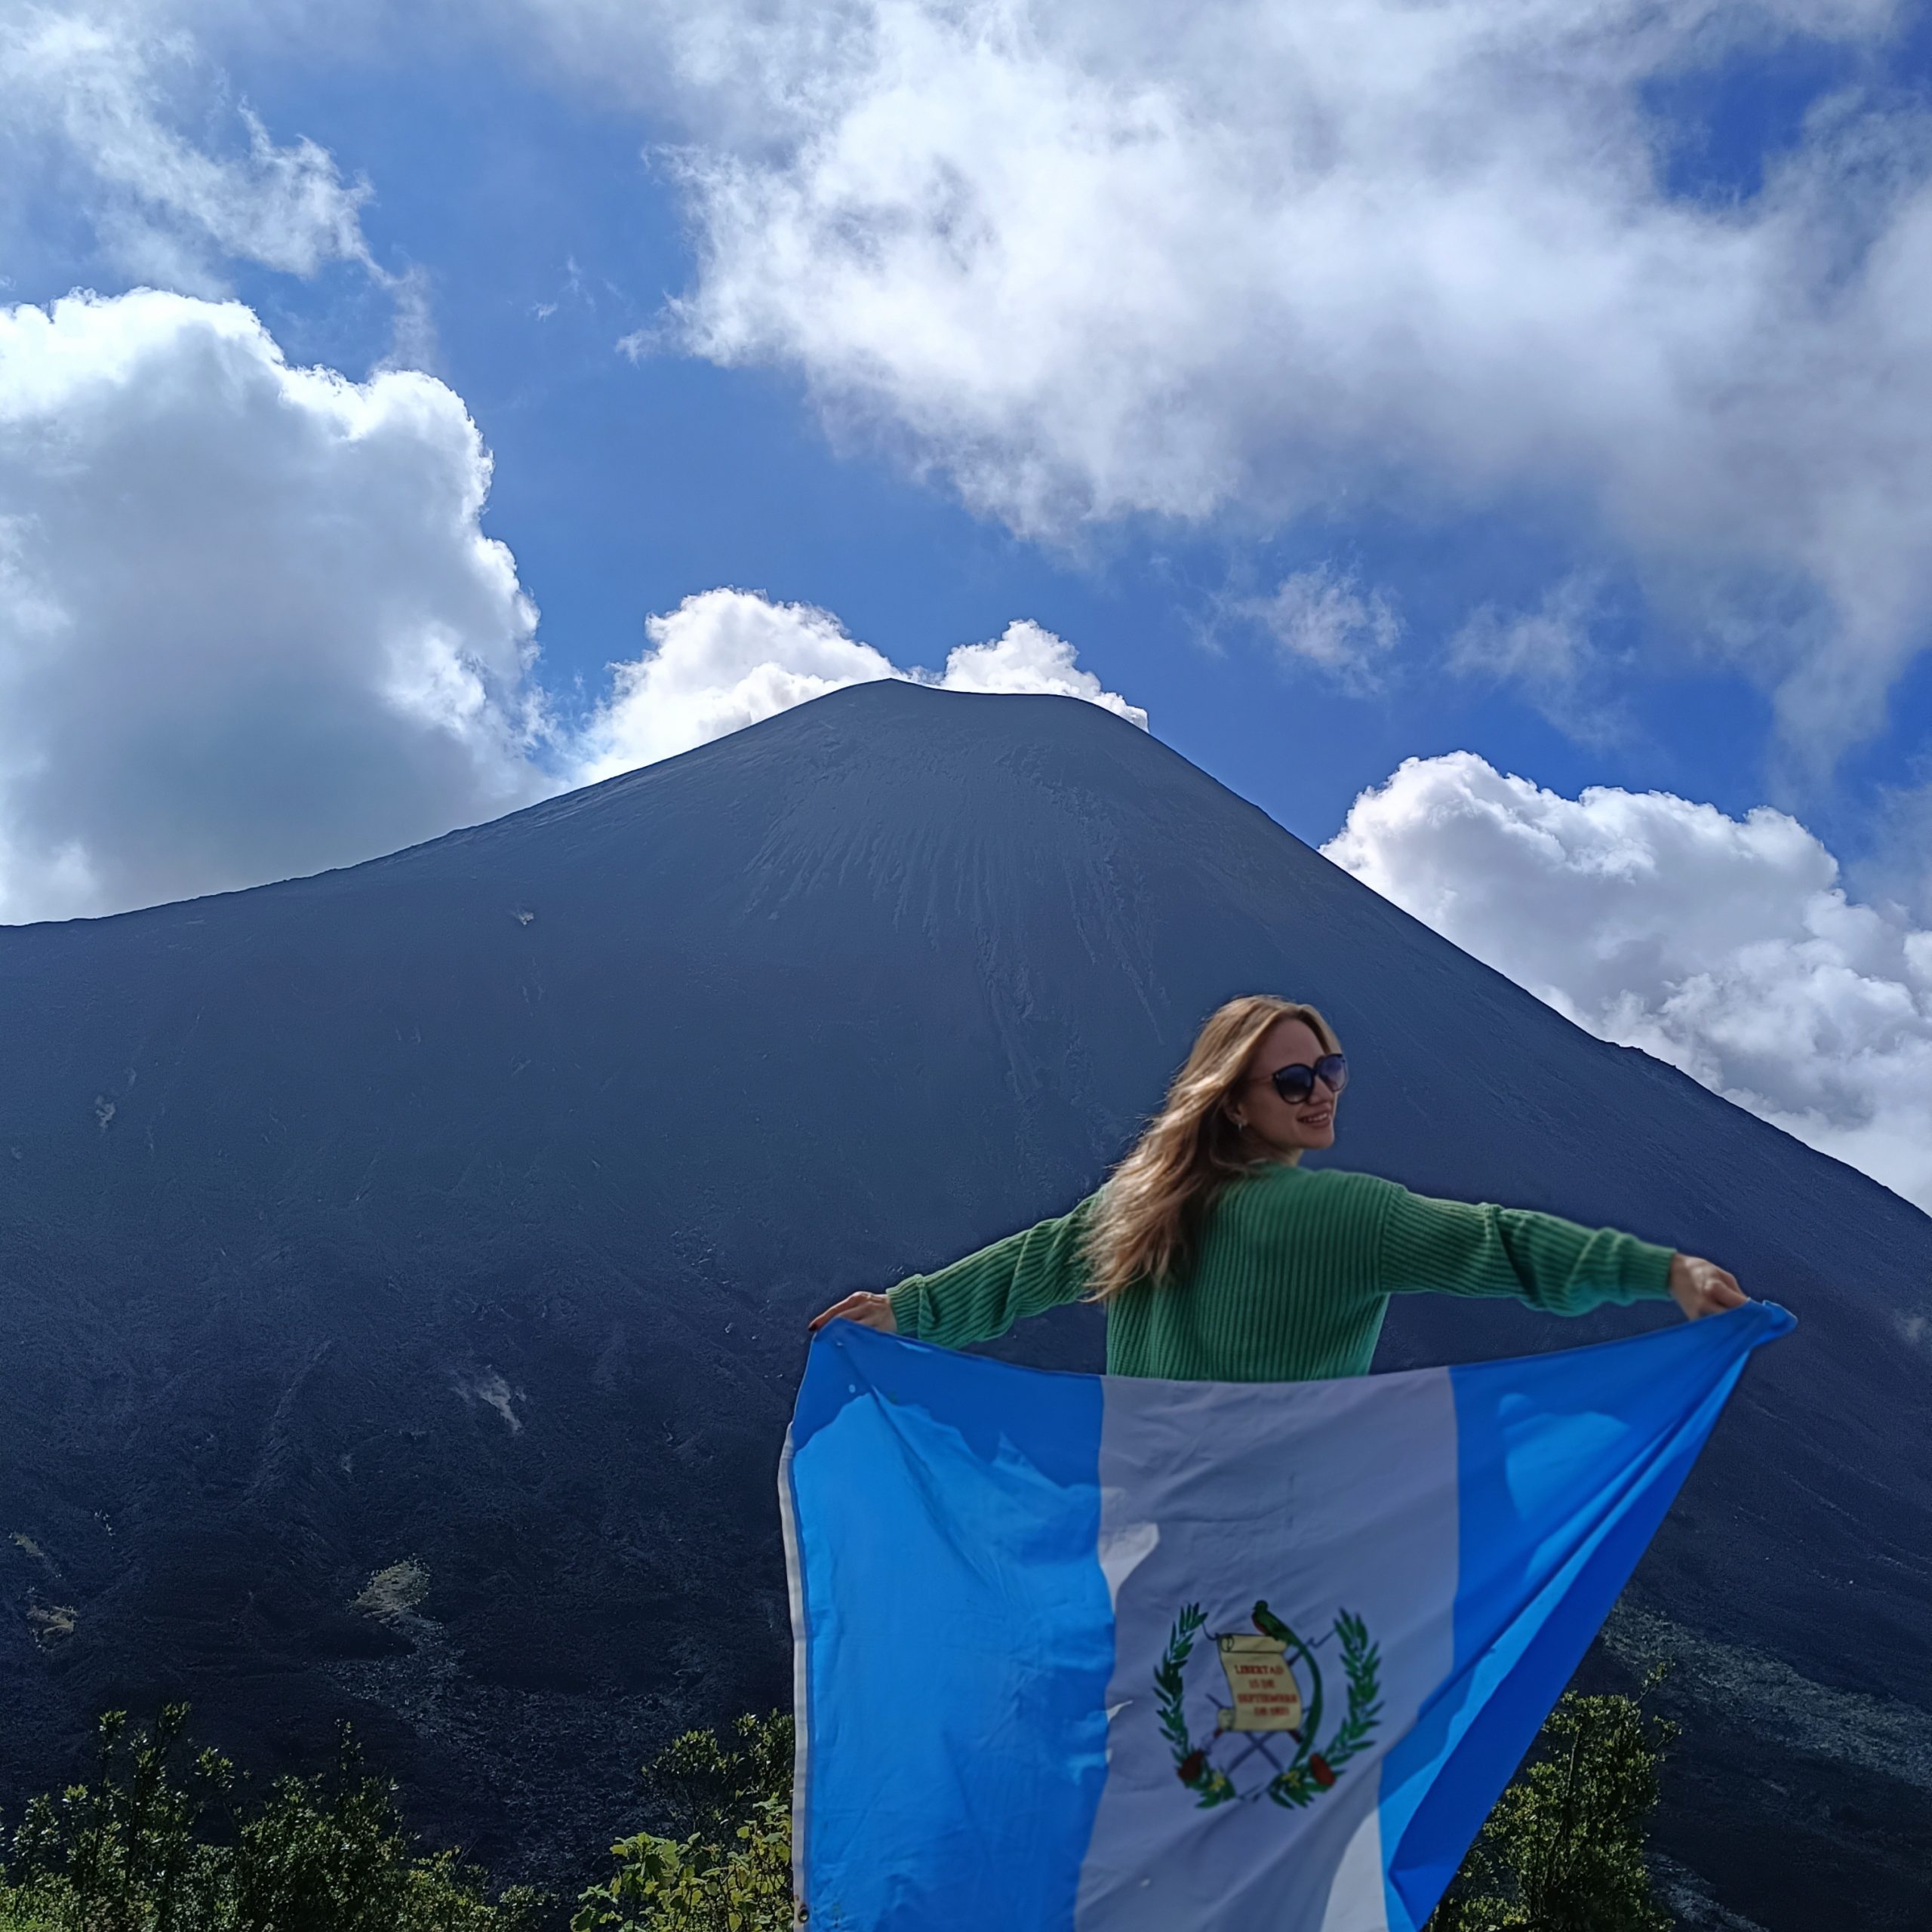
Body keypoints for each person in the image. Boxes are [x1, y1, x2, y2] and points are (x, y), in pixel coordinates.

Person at [808, 994, 1746, 1379]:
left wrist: (907, 1313)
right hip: (1288, 1534)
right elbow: (1499, 1245)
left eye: (1329, 1068)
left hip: (1140, 1525)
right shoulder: (1348, 1215)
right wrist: (1659, 1270)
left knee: (1163, 1748)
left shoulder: (1137, 1209)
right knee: (1269, 1763)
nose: (1320, 1093)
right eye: (1293, 1081)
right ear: (1232, 1103)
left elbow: (1021, 1272)